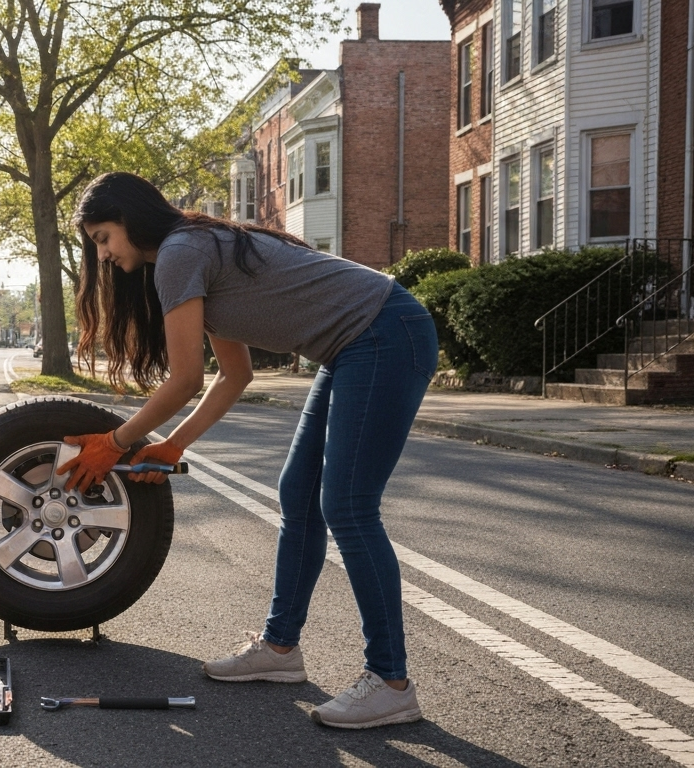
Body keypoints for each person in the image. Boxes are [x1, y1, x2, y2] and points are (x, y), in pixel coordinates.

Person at [57, 172, 438, 729]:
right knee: (299, 495)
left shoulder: (179, 253)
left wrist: (114, 444)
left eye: (104, 237)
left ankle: (391, 681)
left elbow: (185, 378)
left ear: (131, 220)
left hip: (384, 333)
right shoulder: (190, 253)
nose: (105, 253)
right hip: (357, 345)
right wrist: (171, 445)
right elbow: (235, 374)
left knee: (349, 507)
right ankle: (281, 649)